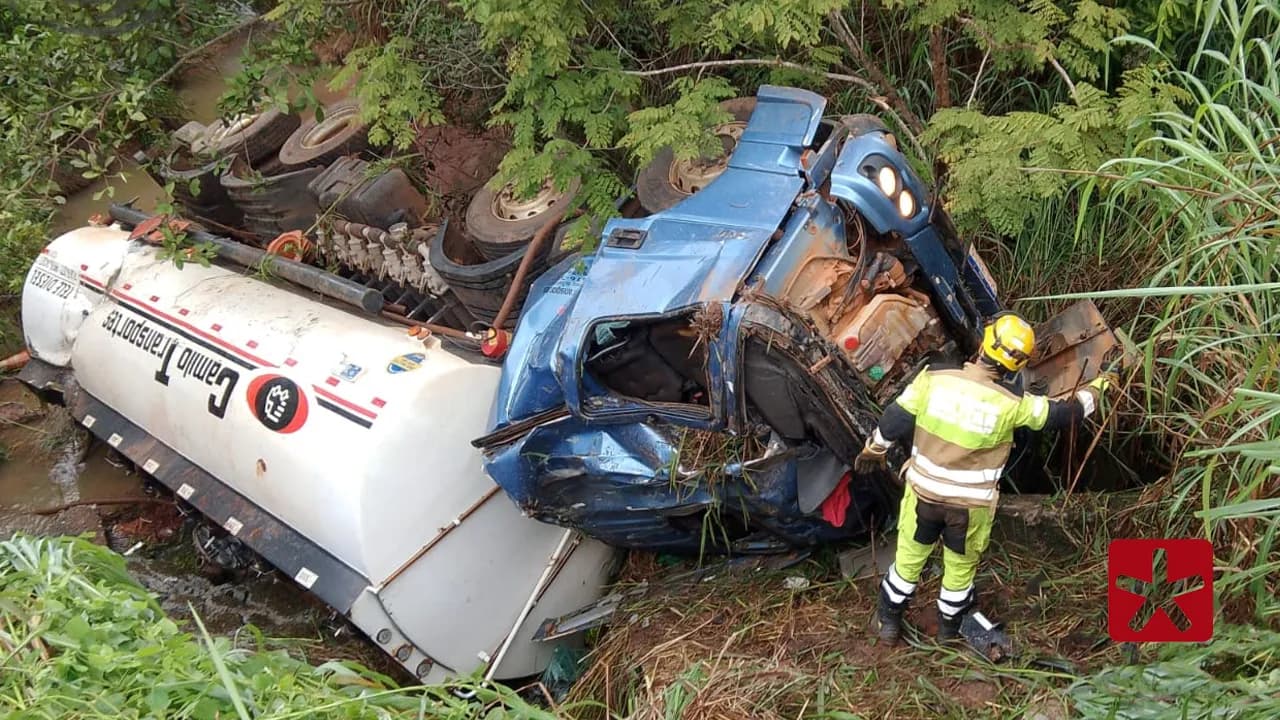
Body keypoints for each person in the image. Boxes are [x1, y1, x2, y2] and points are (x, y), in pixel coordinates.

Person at [854, 311, 1116, 643]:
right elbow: (1067, 414)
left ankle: (889, 624)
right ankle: (949, 630)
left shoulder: (934, 379)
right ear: (1016, 366)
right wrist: (1104, 384)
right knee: (959, 572)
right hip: (968, 510)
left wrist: (874, 450)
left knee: (907, 561)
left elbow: (894, 419)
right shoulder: (1013, 404)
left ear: (984, 344)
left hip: (924, 498)